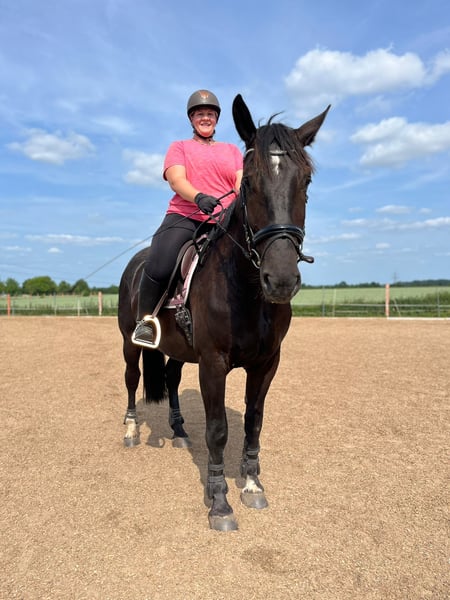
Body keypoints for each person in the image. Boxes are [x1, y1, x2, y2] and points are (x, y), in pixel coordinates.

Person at [132, 89, 244, 348]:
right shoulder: (179, 147)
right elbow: (176, 180)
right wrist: (199, 197)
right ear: (191, 119)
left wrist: (237, 206)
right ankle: (145, 322)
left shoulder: (232, 151)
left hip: (225, 219)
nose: (205, 118)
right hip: (187, 214)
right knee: (160, 264)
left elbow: (240, 184)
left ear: (216, 119)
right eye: (199, 114)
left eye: (210, 114)